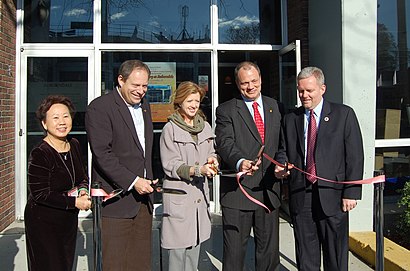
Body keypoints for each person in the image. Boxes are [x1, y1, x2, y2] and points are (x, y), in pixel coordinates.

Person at [274, 66, 364, 271]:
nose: (304, 95)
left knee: (335, 256)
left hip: (333, 196)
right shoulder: (291, 118)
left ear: (322, 88)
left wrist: (351, 193)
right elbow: (283, 150)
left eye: (309, 91)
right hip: (301, 195)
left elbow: (355, 157)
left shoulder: (344, 115)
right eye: (300, 91)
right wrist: (281, 165)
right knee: (306, 256)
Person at [85, 60, 157, 270]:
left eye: (145, 86)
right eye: (135, 85)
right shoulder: (100, 107)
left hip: (143, 201)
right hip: (115, 201)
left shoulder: (144, 106)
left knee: (140, 263)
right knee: (115, 264)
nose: (141, 91)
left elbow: (142, 150)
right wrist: (134, 181)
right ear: (120, 80)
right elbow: (102, 154)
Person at [215, 61, 282, 271]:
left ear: (261, 79)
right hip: (238, 194)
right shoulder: (226, 110)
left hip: (269, 192)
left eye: (254, 81)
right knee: (234, 255)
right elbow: (225, 143)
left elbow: (282, 143)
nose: (250, 87)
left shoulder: (275, 106)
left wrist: (282, 164)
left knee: (269, 255)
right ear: (237, 83)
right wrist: (240, 162)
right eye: (245, 83)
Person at [25, 95, 91, 271]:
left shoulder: (74, 144)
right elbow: (40, 194)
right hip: (43, 222)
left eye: (66, 116)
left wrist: (83, 191)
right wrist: (75, 202)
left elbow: (82, 177)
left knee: (65, 264)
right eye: (55, 118)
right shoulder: (40, 153)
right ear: (44, 124)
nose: (62, 122)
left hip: (67, 220)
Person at [159, 81, 218, 271]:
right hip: (179, 198)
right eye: (189, 100)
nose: (193, 105)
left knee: (194, 249)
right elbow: (170, 165)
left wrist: (212, 160)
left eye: (197, 101)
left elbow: (212, 152)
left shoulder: (205, 127)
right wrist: (197, 170)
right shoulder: (170, 129)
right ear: (179, 101)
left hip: (199, 197)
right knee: (177, 254)